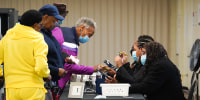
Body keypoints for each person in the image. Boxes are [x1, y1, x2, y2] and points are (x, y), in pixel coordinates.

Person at [0, 10, 50, 100]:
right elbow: (41, 66)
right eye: (40, 25)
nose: (41, 28)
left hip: (11, 87)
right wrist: (46, 75)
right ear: (35, 25)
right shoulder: (37, 39)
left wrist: (0, 75)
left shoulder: (8, 36)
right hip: (32, 87)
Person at [110, 42, 186, 100]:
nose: (141, 55)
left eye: (144, 53)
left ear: (152, 53)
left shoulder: (160, 65)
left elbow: (144, 87)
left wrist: (121, 89)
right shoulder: (158, 63)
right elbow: (139, 81)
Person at [52, 17, 98, 98]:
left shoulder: (66, 32)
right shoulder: (70, 40)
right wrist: (92, 69)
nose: (88, 38)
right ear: (82, 27)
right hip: (55, 81)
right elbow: (68, 66)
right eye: (89, 34)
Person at [39, 4, 67, 100]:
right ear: (45, 17)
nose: (54, 24)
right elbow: (38, 62)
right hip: (41, 84)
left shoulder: (48, 34)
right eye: (53, 21)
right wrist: (56, 70)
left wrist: (65, 59)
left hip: (50, 85)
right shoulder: (38, 36)